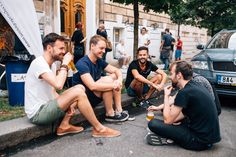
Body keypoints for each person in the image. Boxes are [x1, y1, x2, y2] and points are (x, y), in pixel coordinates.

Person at [24, 33, 120, 138]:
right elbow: (59, 85)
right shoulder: (39, 63)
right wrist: (65, 64)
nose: (64, 51)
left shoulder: (50, 65)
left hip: (47, 106)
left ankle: (64, 125)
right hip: (38, 113)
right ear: (49, 48)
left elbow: (52, 91)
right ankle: (99, 129)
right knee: (78, 91)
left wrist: (68, 104)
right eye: (61, 48)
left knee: (80, 88)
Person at [147, 61, 221, 151]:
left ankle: (170, 140)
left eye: (171, 74)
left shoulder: (184, 92)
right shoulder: (195, 85)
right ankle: (173, 137)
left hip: (198, 142)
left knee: (153, 123)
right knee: (176, 121)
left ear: (179, 75)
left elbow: (167, 121)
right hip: (210, 138)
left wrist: (166, 96)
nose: (170, 77)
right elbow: (185, 113)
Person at [72, 35, 129, 122]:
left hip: (94, 94)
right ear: (92, 46)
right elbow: (92, 86)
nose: (104, 51)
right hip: (85, 99)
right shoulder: (82, 63)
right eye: (101, 48)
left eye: (104, 49)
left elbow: (117, 70)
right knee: (109, 80)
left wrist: (119, 80)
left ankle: (119, 110)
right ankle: (110, 114)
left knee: (114, 76)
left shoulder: (98, 60)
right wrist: (113, 85)